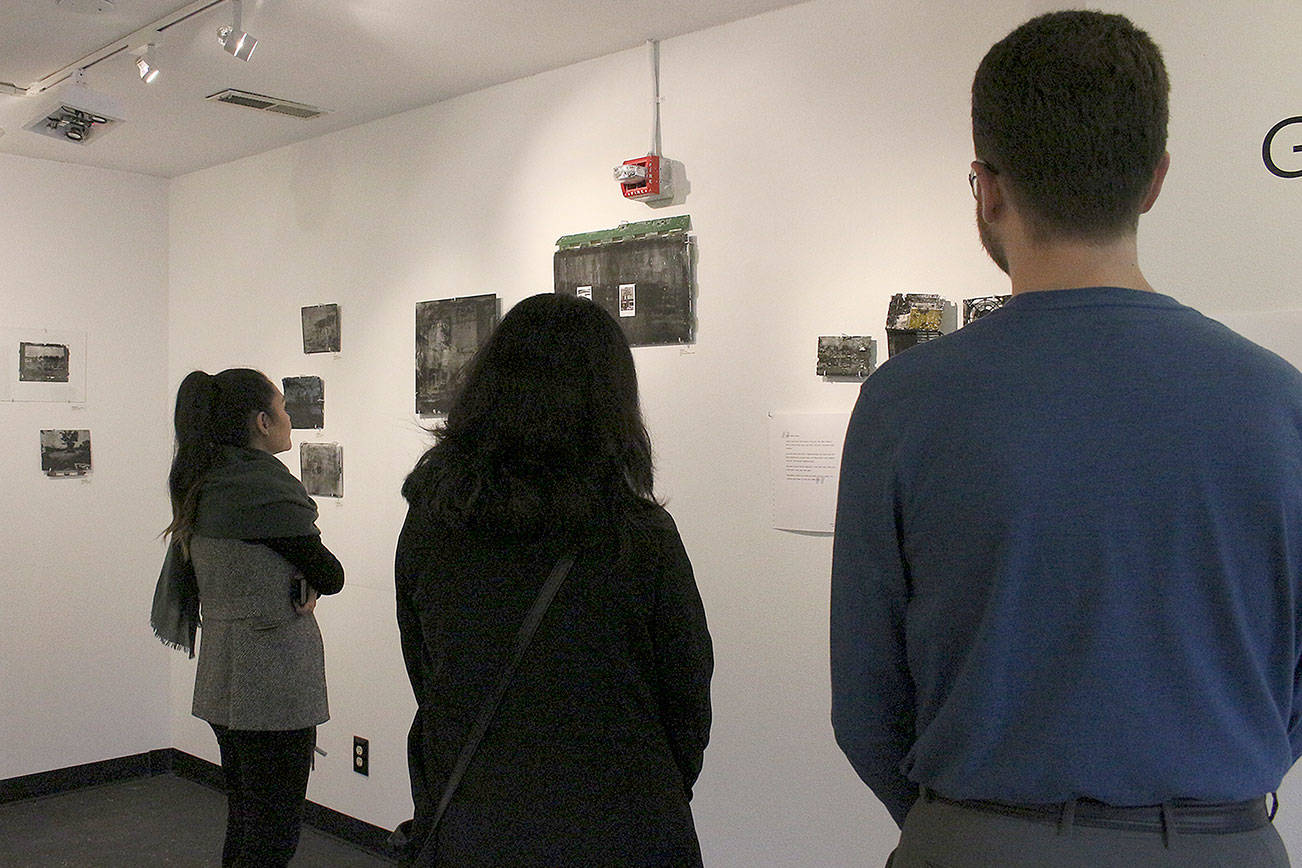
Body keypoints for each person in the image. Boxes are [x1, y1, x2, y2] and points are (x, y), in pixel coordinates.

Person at [830, 11, 1299, 867]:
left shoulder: (904, 403)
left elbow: (866, 707)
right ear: (1154, 180)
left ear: (988, 188)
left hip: (974, 838)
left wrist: (972, 824)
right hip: (1219, 841)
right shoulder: (1282, 403)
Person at [394, 293, 713, 866]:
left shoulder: (432, 523)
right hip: (621, 829)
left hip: (476, 824)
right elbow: (687, 702)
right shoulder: (638, 537)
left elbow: (427, 670)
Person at [151, 368, 344, 867]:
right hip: (271, 679)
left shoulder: (207, 483)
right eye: (282, 409)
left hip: (224, 673)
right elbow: (332, 572)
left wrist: (296, 580)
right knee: (272, 832)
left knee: (245, 819)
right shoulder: (261, 491)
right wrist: (309, 580)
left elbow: (248, 567)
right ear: (262, 422)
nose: (288, 419)